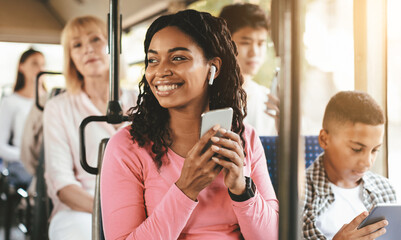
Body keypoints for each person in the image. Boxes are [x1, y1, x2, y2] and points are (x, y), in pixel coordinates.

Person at [101, 9, 279, 240]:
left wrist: (242, 189)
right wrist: (186, 189)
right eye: (152, 60)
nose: (161, 71)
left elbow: (275, 235)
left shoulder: (245, 137)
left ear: (212, 67)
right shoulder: (127, 146)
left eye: (178, 58)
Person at [43, 15, 137, 240]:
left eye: (95, 40)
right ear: (71, 58)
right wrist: (111, 213)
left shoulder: (141, 100)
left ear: (112, 47)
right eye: (77, 45)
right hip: (81, 210)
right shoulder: (58, 107)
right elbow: (62, 184)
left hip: (137, 203)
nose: (88, 50)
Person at [302, 91, 397, 239]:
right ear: (324, 139)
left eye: (375, 150)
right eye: (357, 149)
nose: (367, 162)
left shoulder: (385, 189)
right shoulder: (298, 194)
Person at [219, 3, 279, 136]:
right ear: (225, 44)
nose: (255, 52)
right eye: (246, 43)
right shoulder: (206, 97)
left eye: (261, 43)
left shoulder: (269, 102)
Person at [0, 48, 45, 190]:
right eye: (35, 64)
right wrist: (28, 157)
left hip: (49, 160)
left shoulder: (52, 100)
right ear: (21, 67)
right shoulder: (10, 101)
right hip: (21, 163)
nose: (40, 69)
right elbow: (1, 147)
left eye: (43, 65)